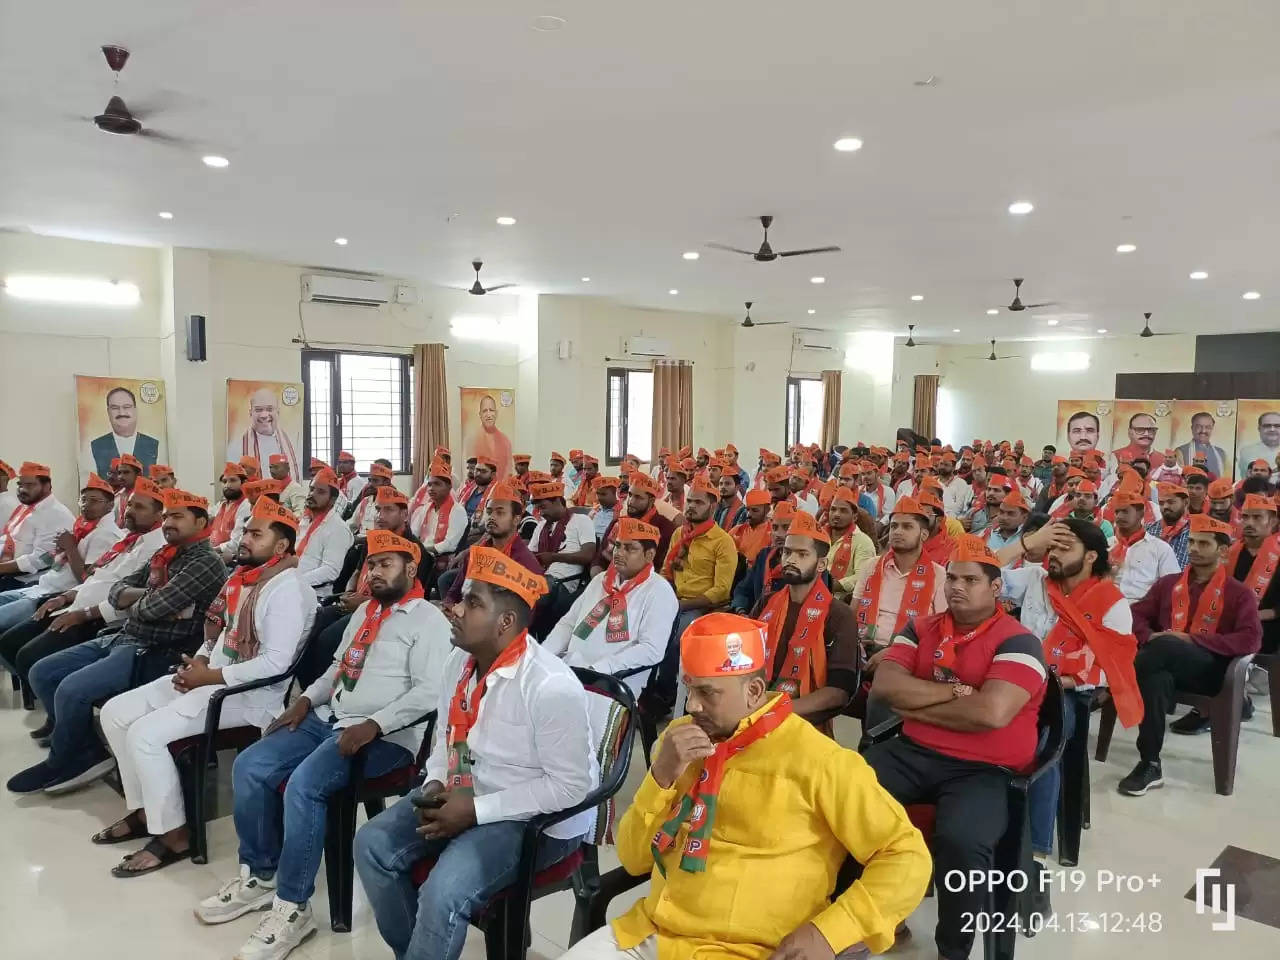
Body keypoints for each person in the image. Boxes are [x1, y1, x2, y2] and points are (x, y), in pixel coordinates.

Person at [561, 611, 930, 960]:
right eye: (688, 688)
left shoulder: (820, 761)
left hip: (755, 950)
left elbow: (906, 856)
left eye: (708, 693)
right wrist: (661, 777)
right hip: (654, 935)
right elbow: (632, 857)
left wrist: (830, 931)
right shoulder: (680, 743)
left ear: (754, 691)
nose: (691, 705)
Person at [196, 530, 451, 959]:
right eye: (371, 565)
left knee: (304, 785)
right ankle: (261, 875)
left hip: (383, 738)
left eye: (386, 564)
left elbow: (429, 693)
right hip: (328, 718)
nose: (374, 573)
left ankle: (294, 908)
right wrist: (304, 702)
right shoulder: (366, 612)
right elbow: (337, 668)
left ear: (410, 569)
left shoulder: (428, 620)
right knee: (251, 766)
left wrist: (375, 723)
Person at [355, 547, 596, 960]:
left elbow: (571, 787)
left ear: (505, 622)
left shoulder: (550, 686)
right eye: (460, 597)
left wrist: (476, 810)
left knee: (443, 890)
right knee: (371, 844)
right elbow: (447, 741)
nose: (455, 609)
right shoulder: (459, 663)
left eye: (472, 602)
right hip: (466, 789)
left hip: (535, 819)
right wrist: (434, 782)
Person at [96, 498, 313, 876]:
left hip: (248, 696)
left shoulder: (286, 590)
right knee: (116, 713)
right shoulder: (244, 577)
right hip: (212, 676)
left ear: (281, 547)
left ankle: (176, 835)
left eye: (256, 534)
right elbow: (220, 634)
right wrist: (200, 660)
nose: (244, 539)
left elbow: (276, 663)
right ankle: (147, 812)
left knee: (145, 734)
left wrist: (210, 677)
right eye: (246, 530)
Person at [864, 534, 1048, 960]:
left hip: (986, 768)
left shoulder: (1019, 641)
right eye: (952, 579)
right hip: (913, 751)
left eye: (970, 580)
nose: (956, 588)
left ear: (996, 587)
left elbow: (991, 714)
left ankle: (953, 949)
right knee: (844, 799)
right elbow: (886, 689)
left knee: (962, 840)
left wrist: (920, 703)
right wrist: (953, 694)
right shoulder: (921, 626)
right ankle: (872, 919)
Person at [8, 488, 227, 795]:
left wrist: (141, 602)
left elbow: (151, 608)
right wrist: (150, 599)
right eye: (166, 517)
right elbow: (119, 590)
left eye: (177, 516)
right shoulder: (165, 553)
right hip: (125, 636)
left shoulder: (205, 562)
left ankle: (67, 759)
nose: (168, 523)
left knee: (72, 688)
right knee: (42, 671)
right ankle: (85, 748)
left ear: (201, 521)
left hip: (155, 650)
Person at [994, 519, 1142, 857]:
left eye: (1065, 547)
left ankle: (1035, 851)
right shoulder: (1035, 580)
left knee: (1044, 739)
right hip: (1017, 681)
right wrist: (1028, 543)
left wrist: (1061, 680)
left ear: (1090, 556)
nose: (1054, 554)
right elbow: (980, 571)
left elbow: (1113, 668)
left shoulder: (1111, 602)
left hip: (1066, 692)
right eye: (1052, 546)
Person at [1120, 515, 1263, 796]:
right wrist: (1149, 636)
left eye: (1204, 543)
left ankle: (1114, 685)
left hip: (1210, 671)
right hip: (1162, 665)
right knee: (1156, 677)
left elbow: (1251, 638)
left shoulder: (1238, 593)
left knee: (1167, 646)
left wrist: (1190, 640)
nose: (1194, 548)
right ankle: (1150, 763)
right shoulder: (1169, 584)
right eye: (1194, 542)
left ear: (1223, 551)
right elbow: (1135, 615)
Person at [0, 479, 167, 709]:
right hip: (72, 601)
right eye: (129, 505)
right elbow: (98, 578)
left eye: (139, 507)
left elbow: (120, 590)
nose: (129, 511)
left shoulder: (150, 546)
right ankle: (51, 706)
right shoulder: (129, 539)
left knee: (30, 656)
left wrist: (83, 612)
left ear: (159, 514)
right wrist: (66, 596)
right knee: (15, 644)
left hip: (97, 616)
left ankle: (54, 709)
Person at [545, 517, 678, 735]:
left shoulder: (658, 591)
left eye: (629, 548)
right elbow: (569, 623)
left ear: (649, 555)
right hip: (573, 668)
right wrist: (544, 655)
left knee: (565, 729)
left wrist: (601, 669)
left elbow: (652, 650)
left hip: (614, 680)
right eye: (617, 545)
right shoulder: (601, 582)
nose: (619, 553)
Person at [755, 511, 861, 729]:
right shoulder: (767, 602)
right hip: (756, 705)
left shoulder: (839, 615)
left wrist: (776, 710)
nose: (791, 559)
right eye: (787, 552)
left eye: (802, 554)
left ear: (821, 565)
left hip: (802, 719)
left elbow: (838, 692)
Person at [649, 476, 738, 713]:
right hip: (675, 601)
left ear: (713, 506)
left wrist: (680, 606)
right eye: (689, 501)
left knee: (674, 635)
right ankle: (644, 689)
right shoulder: (680, 534)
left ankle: (664, 695)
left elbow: (721, 591)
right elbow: (666, 572)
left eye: (698, 502)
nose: (691, 506)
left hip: (702, 607)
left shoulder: (722, 541)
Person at [0, 472, 121, 641]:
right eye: (83, 500)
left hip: (54, 595)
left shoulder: (105, 534)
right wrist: (60, 550)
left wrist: (70, 548)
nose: (86, 505)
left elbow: (88, 580)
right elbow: (50, 560)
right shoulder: (83, 527)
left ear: (110, 505)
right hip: (40, 586)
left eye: (94, 501)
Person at [441, 479, 543, 607]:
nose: (492, 517)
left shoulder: (526, 563)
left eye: (500, 512)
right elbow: (453, 593)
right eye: (489, 512)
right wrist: (449, 605)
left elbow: (523, 616)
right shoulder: (476, 554)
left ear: (516, 519)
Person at [0, 461, 76, 591]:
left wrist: (2, 569)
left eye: (29, 485)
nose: (22, 489)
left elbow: (42, 559)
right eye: (20, 485)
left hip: (32, 582)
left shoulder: (55, 514)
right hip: (10, 575)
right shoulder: (27, 508)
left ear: (47, 486)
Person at [529, 479, 598, 596]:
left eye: (543, 507)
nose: (541, 513)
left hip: (562, 581)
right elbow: (530, 554)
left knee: (535, 593)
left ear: (557, 501)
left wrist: (553, 557)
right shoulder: (541, 526)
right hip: (538, 576)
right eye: (538, 509)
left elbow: (588, 555)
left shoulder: (581, 520)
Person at [1109, 490, 1181, 601]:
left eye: (1125, 511)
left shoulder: (1160, 548)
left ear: (1141, 514)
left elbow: (1171, 587)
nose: (1119, 516)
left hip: (1142, 608)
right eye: (1117, 512)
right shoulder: (1107, 544)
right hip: (1106, 605)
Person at [295, 468, 354, 596]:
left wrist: (296, 582)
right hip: (290, 586)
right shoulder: (304, 520)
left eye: (320, 492)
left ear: (332, 500)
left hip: (312, 594)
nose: (312, 494)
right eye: (311, 489)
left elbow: (331, 571)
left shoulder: (338, 528)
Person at [82, 385, 162, 477]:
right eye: (115, 408)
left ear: (135, 410)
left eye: (127, 407)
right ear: (108, 412)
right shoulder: (94, 446)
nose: (121, 413)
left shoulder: (154, 445)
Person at [227, 386, 301, 479]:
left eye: (269, 409)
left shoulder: (294, 443)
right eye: (258, 410)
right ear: (251, 413)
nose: (264, 415)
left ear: (278, 412)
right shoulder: (236, 447)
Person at [407, 456, 467, 560]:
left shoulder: (457, 510)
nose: (431, 489)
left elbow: (449, 544)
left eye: (437, 484)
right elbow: (414, 533)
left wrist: (422, 549)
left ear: (449, 487)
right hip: (421, 553)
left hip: (438, 557)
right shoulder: (426, 508)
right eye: (429, 485)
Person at [825, 487, 875, 603]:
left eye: (843, 511)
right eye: (833, 509)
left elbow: (863, 577)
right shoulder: (820, 536)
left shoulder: (863, 542)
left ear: (855, 517)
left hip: (841, 602)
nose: (836, 514)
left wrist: (829, 584)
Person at [466, 393, 514, 480]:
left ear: (496, 413)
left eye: (491, 410)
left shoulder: (505, 441)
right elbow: (469, 471)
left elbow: (509, 472)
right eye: (485, 411)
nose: (488, 415)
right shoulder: (472, 440)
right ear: (480, 414)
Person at [1148, 483, 1192, 569]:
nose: (1165, 506)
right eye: (1161, 503)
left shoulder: (1195, 532)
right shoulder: (1149, 530)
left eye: (1171, 502)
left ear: (1186, 503)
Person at [728, 489, 771, 566]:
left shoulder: (773, 533)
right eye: (747, 510)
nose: (749, 514)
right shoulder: (737, 531)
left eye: (755, 510)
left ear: (767, 510)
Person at [210, 461, 248, 547]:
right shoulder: (221, 504)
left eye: (232, 480)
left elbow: (237, 542)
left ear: (244, 483)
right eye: (224, 481)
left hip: (231, 556)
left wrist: (213, 551)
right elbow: (208, 515)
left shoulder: (246, 505)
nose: (227, 485)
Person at [981, 485, 1029, 550]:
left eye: (1010, 513)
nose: (1004, 517)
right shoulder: (986, 533)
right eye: (1001, 512)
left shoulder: (1029, 538)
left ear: (1024, 517)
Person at [1236, 410, 1280, 479]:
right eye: (1267, 426)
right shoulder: (1246, 452)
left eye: (1277, 426)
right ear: (1259, 428)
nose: (1272, 429)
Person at [589, 475, 621, 539]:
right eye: (598, 493)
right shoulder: (594, 511)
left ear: (615, 494)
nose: (599, 497)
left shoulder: (621, 512)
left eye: (603, 494)